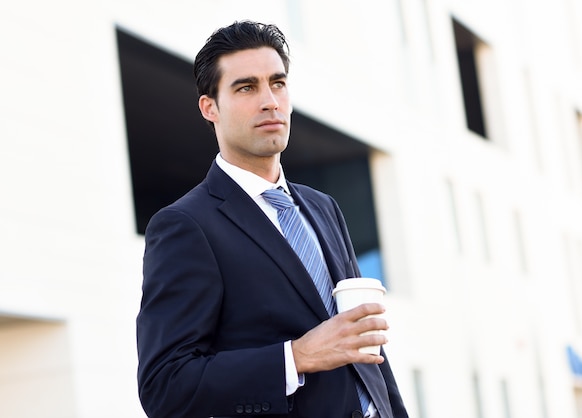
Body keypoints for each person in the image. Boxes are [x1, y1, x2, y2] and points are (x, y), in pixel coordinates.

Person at [136, 20, 409, 418]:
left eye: (277, 83)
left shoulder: (323, 207)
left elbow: (365, 347)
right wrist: (295, 357)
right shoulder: (185, 226)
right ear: (209, 107)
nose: (270, 101)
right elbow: (166, 386)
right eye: (246, 87)